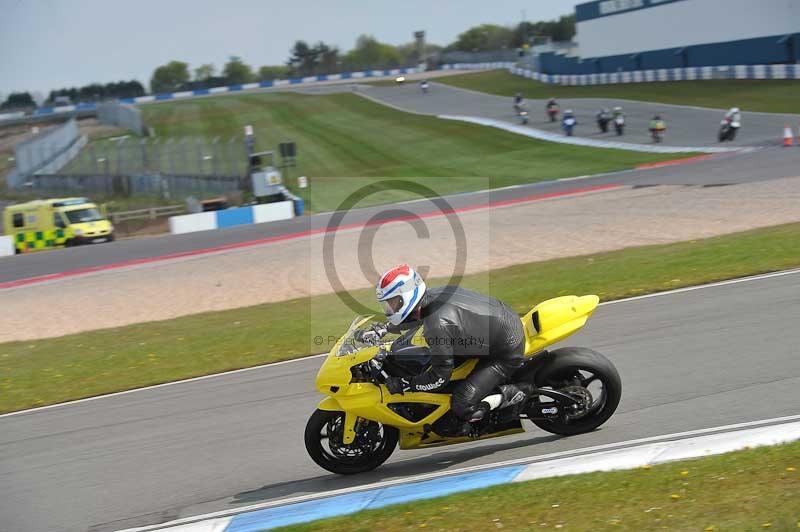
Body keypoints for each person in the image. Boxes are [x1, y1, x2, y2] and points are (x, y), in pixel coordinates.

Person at [372, 265, 530, 426]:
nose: (389, 309)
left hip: (505, 351)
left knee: (462, 405)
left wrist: (407, 384)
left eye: (392, 303)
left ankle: (514, 393)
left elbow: (440, 377)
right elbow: (415, 317)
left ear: (406, 297)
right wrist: (384, 329)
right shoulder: (432, 296)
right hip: (501, 321)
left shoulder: (437, 325)